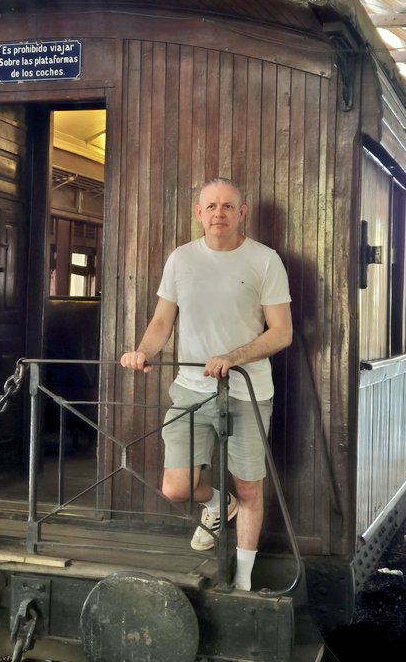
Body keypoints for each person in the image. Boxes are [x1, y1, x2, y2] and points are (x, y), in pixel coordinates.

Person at [120, 178, 292, 590]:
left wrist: (233, 358)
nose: (219, 213)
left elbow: (281, 332)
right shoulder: (181, 259)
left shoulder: (265, 261)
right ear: (198, 213)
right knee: (177, 488)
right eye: (211, 206)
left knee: (250, 488)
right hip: (191, 390)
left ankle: (244, 580)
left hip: (249, 392)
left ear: (241, 212)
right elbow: (163, 321)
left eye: (228, 206)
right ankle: (217, 505)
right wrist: (143, 351)